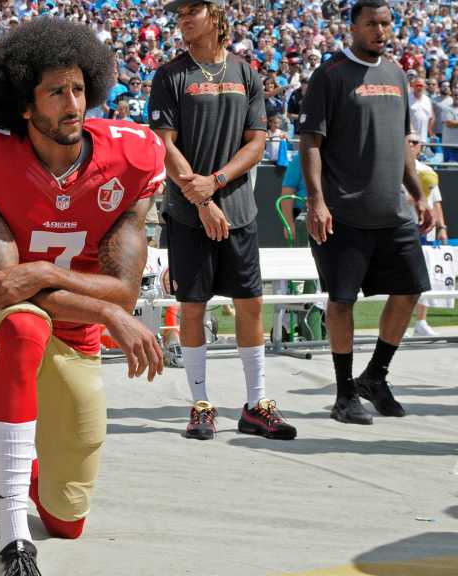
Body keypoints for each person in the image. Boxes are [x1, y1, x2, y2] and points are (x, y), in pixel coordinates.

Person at [0, 19, 164, 575]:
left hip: (77, 335)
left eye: (80, 88)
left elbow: (123, 285)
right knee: (23, 324)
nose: (74, 103)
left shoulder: (130, 157)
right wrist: (106, 308)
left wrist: (47, 273)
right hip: (1, 325)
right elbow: (4, 286)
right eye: (56, 91)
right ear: (23, 104)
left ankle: (2, 443)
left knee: (68, 518)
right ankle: (13, 540)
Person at [150, 0, 295, 441]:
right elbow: (163, 144)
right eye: (178, 15)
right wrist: (199, 198)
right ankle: (201, 405)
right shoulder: (171, 74)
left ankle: (256, 405)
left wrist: (215, 183)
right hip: (189, 214)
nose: (183, 20)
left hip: (238, 210)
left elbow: (257, 142)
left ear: (215, 15)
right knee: (192, 307)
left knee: (249, 304)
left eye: (191, 11)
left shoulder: (246, 73)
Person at [299, 0, 434, 425]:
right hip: (342, 214)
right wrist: (317, 202)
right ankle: (344, 395)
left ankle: (374, 377)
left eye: (386, 23)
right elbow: (311, 143)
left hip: (393, 213)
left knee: (411, 290)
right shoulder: (330, 75)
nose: (380, 30)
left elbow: (401, 144)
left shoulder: (396, 73)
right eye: (371, 23)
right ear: (353, 28)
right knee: (341, 302)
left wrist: (419, 196)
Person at [409, 137, 448, 337]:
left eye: (416, 142)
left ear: (421, 147)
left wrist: (442, 227)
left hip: (426, 230)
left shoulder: (427, 171)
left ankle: (421, 321)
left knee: (427, 276)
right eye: (409, 141)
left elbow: (437, 202)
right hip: (403, 228)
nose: (412, 145)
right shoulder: (395, 167)